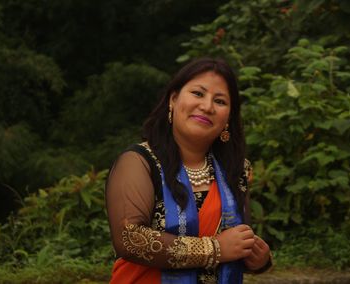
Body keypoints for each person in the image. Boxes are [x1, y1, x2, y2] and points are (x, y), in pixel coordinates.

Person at [105, 58, 272, 284]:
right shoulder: (138, 162)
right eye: (198, 93)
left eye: (220, 101)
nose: (207, 106)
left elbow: (236, 242)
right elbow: (130, 239)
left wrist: (257, 259)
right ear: (173, 100)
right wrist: (214, 248)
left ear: (228, 119)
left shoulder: (236, 170)